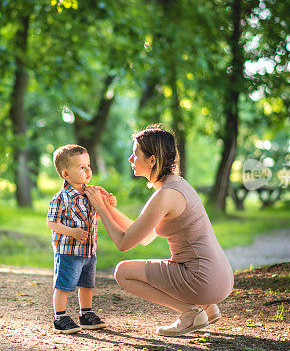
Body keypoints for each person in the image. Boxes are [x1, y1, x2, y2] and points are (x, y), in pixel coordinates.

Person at [84, 125, 234, 336]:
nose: (130, 159)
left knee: (123, 272)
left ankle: (191, 312)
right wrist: (108, 208)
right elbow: (144, 237)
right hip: (220, 277)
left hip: (204, 279)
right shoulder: (177, 185)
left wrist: (100, 208)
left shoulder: (165, 195)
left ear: (152, 160)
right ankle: (208, 307)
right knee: (172, 262)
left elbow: (124, 243)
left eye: (135, 154)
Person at [46, 144, 115, 334]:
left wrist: (106, 205)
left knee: (87, 284)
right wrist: (72, 232)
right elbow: (51, 223)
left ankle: (86, 313)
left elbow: (95, 217)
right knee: (64, 285)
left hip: (88, 251)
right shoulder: (60, 198)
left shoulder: (89, 194)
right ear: (66, 174)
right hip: (69, 251)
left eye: (88, 165)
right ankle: (59, 317)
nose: (88, 170)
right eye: (81, 167)